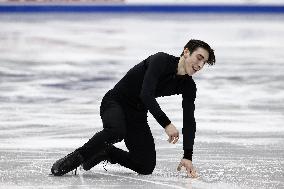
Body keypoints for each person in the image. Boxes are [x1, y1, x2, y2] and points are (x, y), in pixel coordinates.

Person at [51, 39, 215, 178]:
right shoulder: (161, 60)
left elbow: (189, 120)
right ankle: (77, 157)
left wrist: (187, 155)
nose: (200, 65)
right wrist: (166, 124)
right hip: (115, 102)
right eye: (199, 58)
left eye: (204, 63)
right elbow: (146, 94)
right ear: (186, 52)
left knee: (145, 165)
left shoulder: (188, 86)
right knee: (116, 131)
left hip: (137, 113)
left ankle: (107, 152)